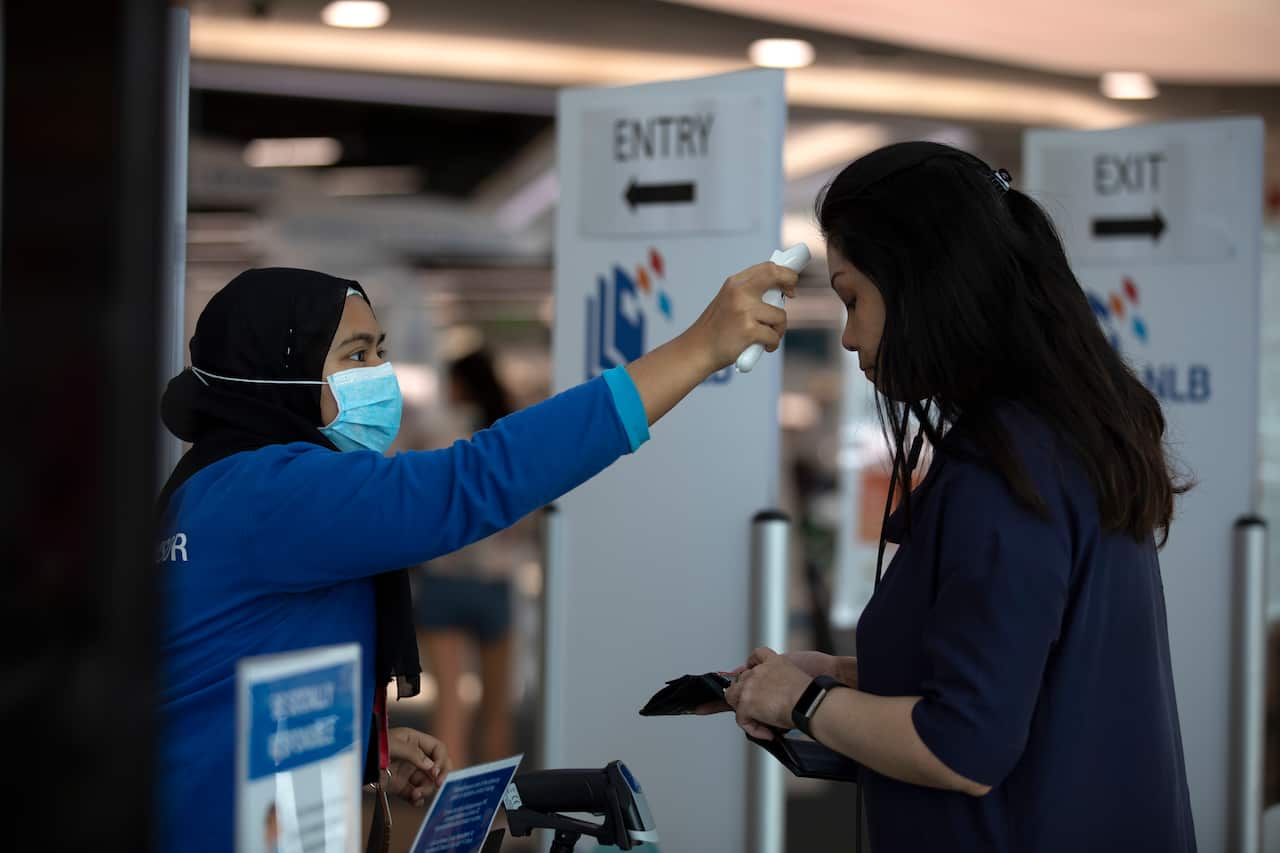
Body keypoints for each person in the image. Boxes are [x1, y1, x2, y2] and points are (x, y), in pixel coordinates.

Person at [156, 262, 795, 852]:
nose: (378, 374)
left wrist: (357, 748)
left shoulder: (215, 487)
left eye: (380, 351)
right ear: (279, 372)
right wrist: (698, 349)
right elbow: (479, 481)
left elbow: (230, 678)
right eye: (355, 355)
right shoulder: (271, 490)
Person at [711, 142, 1197, 853]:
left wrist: (805, 701)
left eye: (853, 299)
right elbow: (1015, 674)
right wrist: (841, 676)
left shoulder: (1006, 472)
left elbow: (964, 747)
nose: (847, 337)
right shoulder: (1053, 438)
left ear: (920, 282)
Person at [416, 349, 522, 767]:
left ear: (459, 384)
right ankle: (496, 816)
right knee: (496, 708)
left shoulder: (435, 430)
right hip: (494, 582)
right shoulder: (507, 434)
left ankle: (448, 822)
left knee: (450, 710)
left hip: (442, 580)